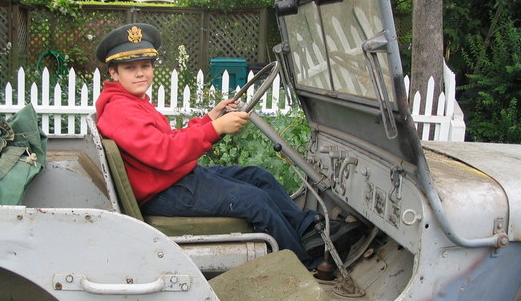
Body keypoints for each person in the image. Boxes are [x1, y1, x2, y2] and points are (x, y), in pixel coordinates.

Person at [94, 23, 338, 269]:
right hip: (165, 191)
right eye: (130, 68)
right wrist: (217, 128)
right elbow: (165, 152)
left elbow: (168, 138)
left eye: (145, 66)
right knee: (254, 200)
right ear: (114, 73)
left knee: (258, 176)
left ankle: (307, 230)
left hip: (173, 178)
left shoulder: (131, 102)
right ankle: (305, 264)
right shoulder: (121, 110)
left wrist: (210, 118)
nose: (140, 73)